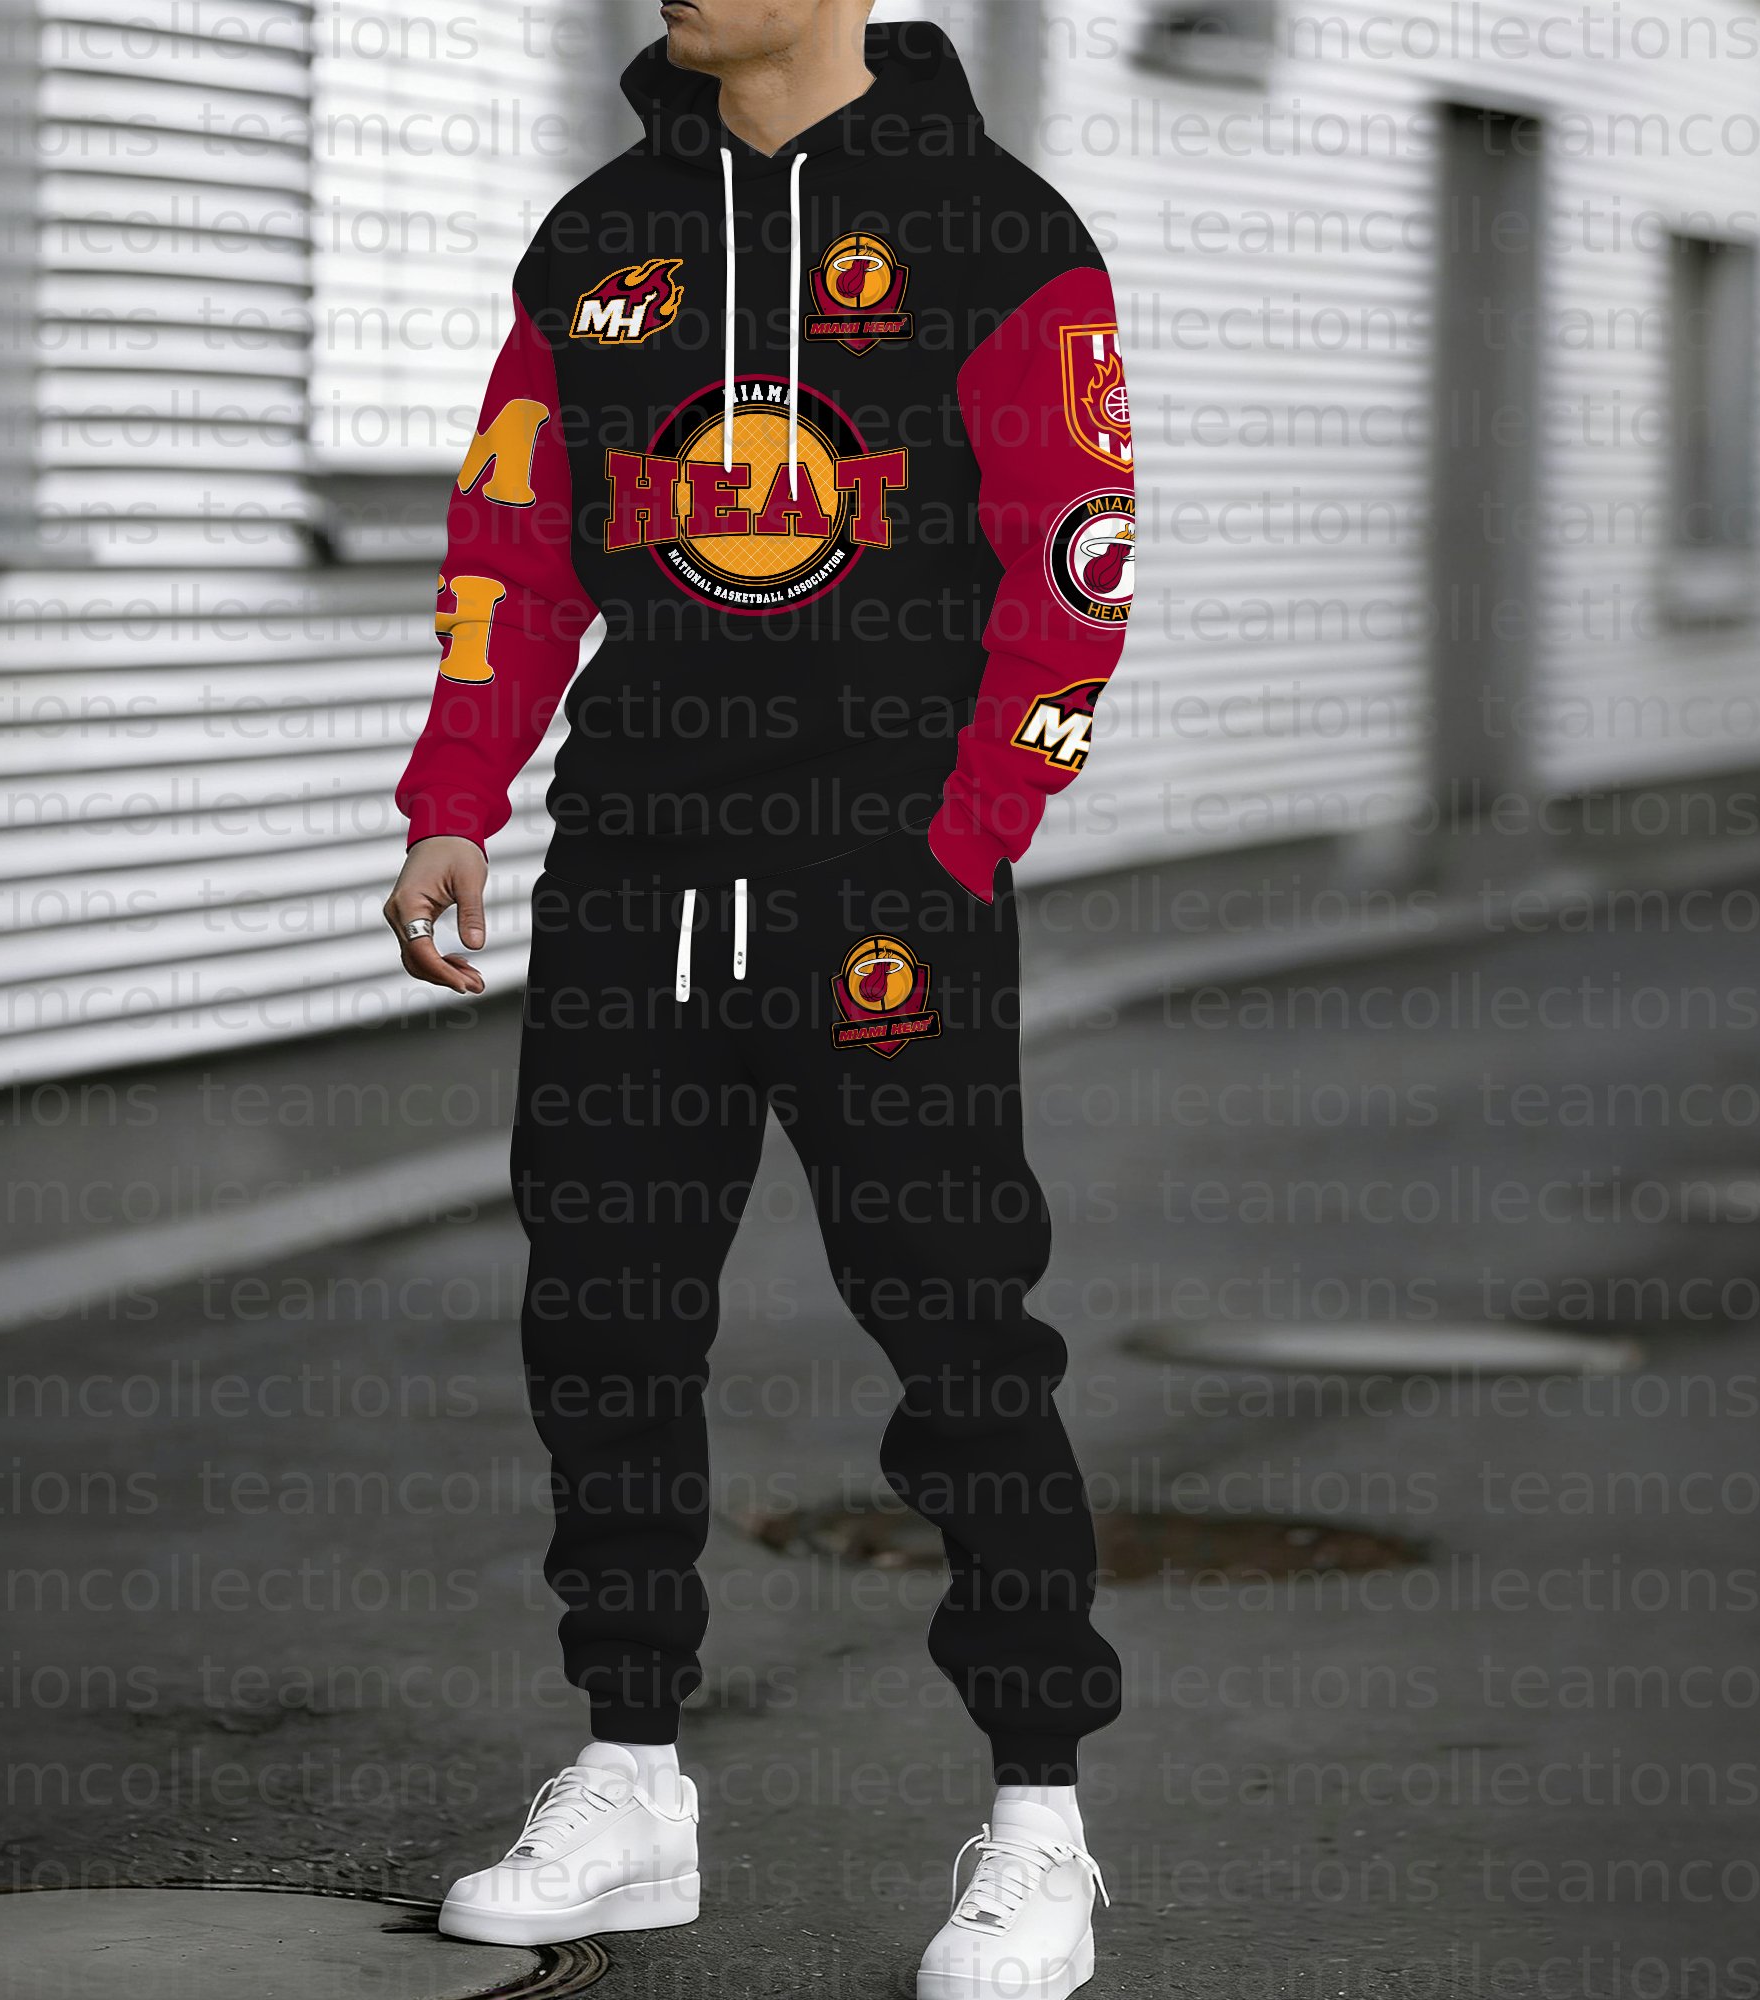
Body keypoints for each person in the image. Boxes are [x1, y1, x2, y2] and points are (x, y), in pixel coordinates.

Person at [383, 4, 1135, 1993]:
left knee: (962, 1341)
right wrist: (455, 800)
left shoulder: (994, 230)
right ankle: (630, 1779)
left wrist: (960, 839)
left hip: (885, 894)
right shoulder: (595, 241)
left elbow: (1074, 570)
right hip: (630, 876)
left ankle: (1040, 1828)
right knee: (604, 1325)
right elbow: (511, 544)